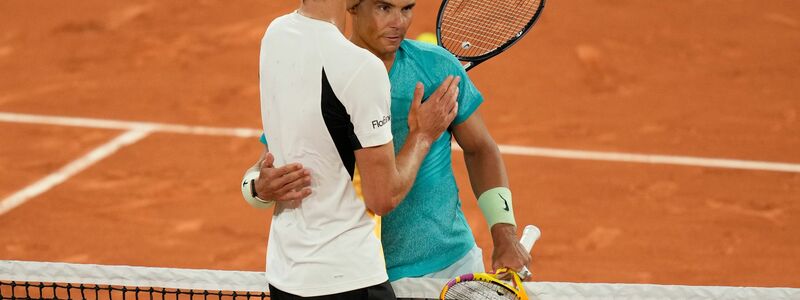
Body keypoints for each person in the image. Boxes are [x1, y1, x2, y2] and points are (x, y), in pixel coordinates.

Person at [248, 0, 530, 284]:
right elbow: (266, 165)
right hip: (369, 276)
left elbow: (480, 149)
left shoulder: (436, 67)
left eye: (407, 8)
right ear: (353, 6)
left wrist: (504, 233)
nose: (399, 22)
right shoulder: (324, 71)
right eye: (384, 8)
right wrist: (258, 188)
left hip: (453, 267)